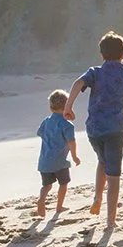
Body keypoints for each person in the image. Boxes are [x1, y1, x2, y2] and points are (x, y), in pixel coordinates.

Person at [65, 31, 123, 226]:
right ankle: (110, 220)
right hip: (115, 130)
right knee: (114, 175)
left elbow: (78, 83)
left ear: (102, 54)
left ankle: (97, 198)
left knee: (102, 161)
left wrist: (68, 106)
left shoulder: (95, 72)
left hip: (94, 130)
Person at [35, 89, 80, 217]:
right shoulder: (67, 125)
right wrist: (75, 156)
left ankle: (41, 199)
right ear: (67, 106)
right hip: (60, 161)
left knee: (47, 185)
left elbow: (40, 133)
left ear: (50, 107)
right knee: (63, 184)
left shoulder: (46, 121)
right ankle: (59, 206)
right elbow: (72, 141)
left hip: (44, 161)